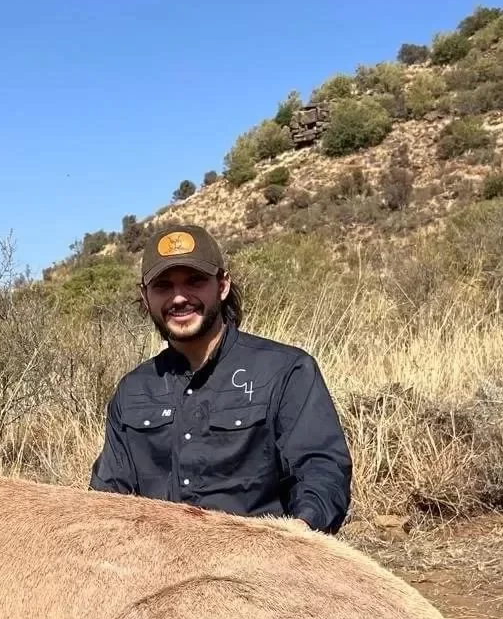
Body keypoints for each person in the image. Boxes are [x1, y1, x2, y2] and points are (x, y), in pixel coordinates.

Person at [88, 222, 352, 533]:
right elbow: (107, 499)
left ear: (222, 285)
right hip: (158, 568)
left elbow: (322, 471)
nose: (179, 298)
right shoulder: (132, 391)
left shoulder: (287, 370)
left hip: (258, 566)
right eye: (163, 286)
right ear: (145, 298)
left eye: (195, 281)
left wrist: (300, 529)